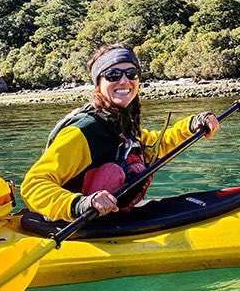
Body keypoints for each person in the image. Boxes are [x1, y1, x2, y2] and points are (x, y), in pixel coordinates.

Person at [21, 44, 220, 222]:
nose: (125, 81)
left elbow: (152, 146)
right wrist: (80, 204)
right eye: (113, 75)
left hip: (110, 220)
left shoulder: (121, 123)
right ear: (98, 83)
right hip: (75, 227)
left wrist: (192, 124)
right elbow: (33, 186)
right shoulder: (83, 131)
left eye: (131, 74)